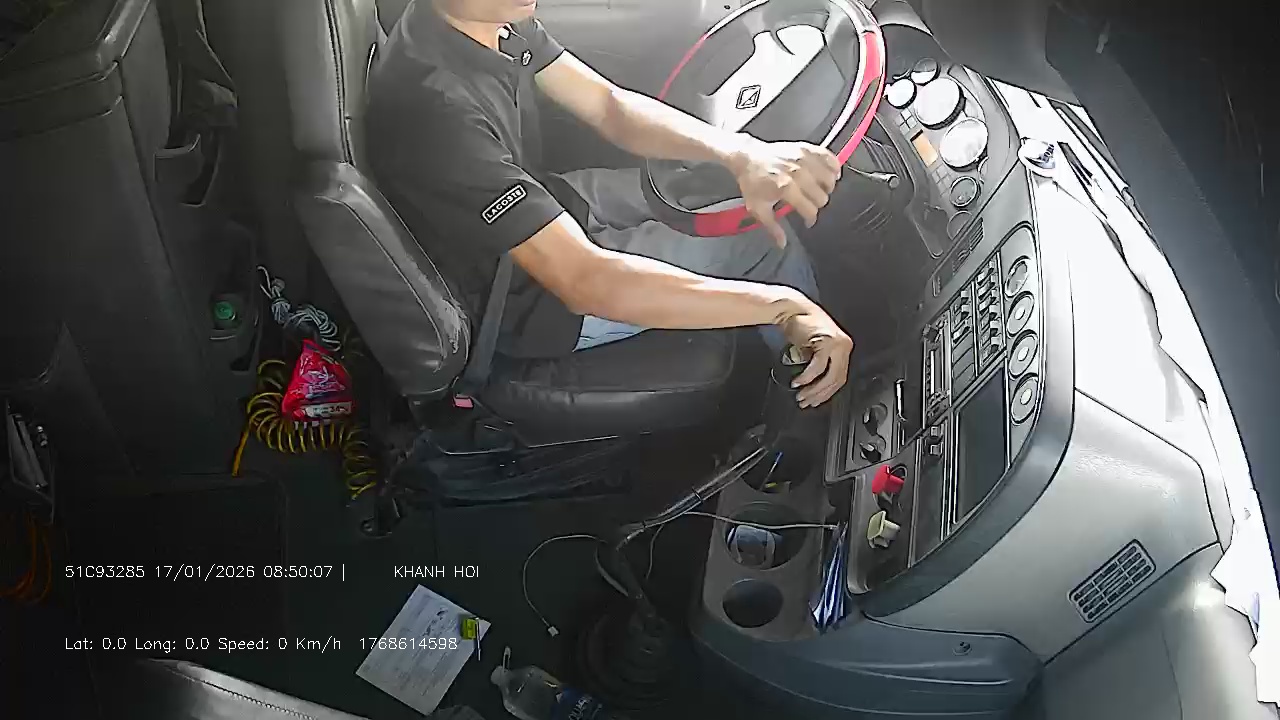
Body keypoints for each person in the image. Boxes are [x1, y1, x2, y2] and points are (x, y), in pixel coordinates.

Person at [366, 0, 854, 408]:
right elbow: (585, 281)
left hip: (549, 204)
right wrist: (783, 308)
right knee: (763, 242)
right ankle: (816, 398)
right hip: (523, 296)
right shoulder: (438, 113)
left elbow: (609, 107)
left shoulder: (492, 21)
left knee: (706, 188)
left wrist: (741, 153)